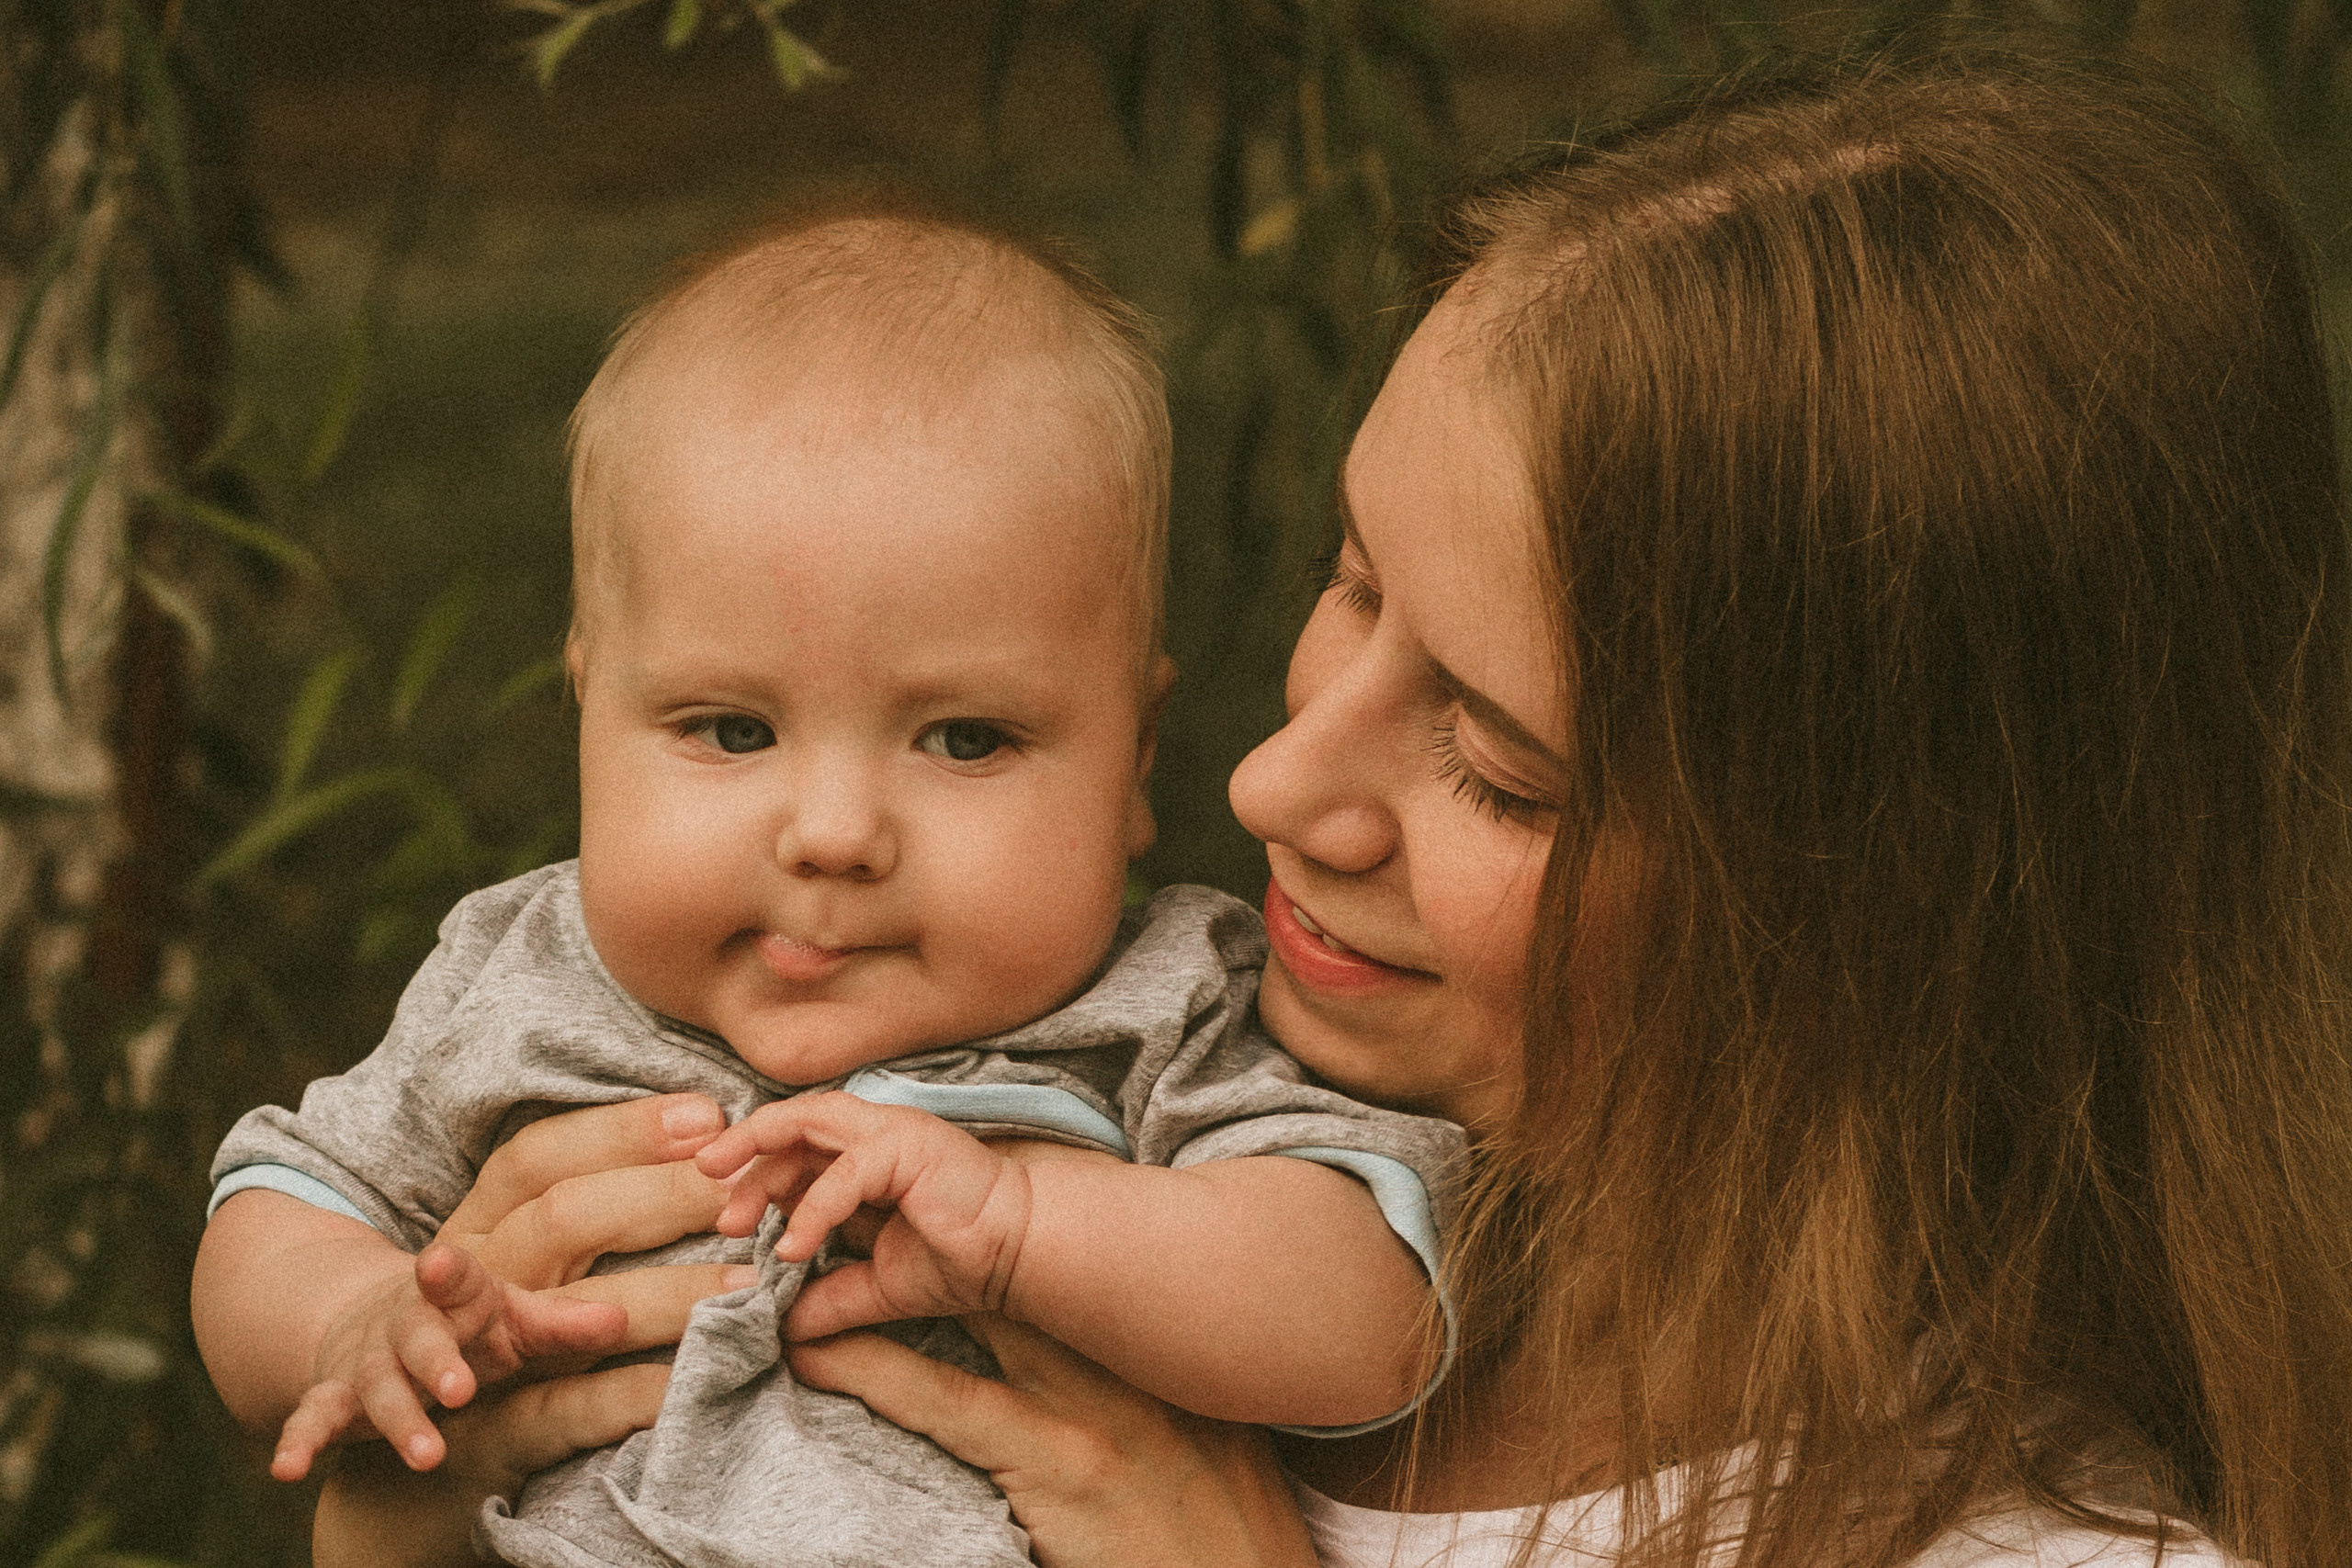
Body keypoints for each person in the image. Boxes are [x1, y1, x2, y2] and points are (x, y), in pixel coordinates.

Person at [313, 40, 2352, 1568]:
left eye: (1492, 759)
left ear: (1872, 905)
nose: (1270, 783)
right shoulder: (1140, 1101)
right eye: (1348, 580)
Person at [190, 210, 1468, 1568]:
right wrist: (351, 1313)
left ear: (1133, 760)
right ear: (587, 714)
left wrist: (1028, 1222)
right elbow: (280, 1198)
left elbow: (1370, 1321)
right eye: (733, 731)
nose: (836, 835)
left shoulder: (1169, 1009)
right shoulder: (520, 975)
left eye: (966, 739)